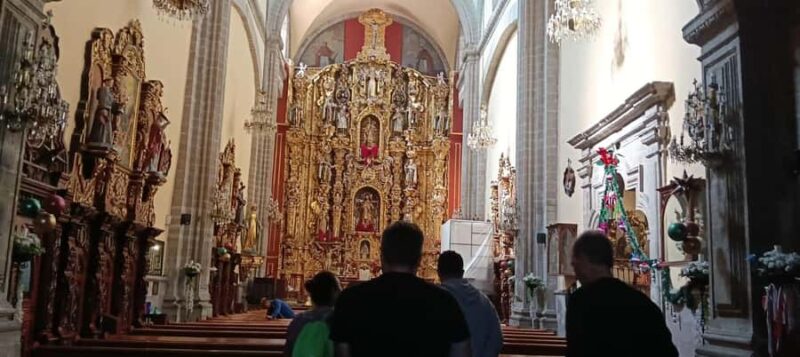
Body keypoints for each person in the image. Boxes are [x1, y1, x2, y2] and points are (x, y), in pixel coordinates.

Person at [329, 221, 471, 357]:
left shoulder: (350, 300)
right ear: (419, 259)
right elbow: (462, 351)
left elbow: (341, 352)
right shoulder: (445, 302)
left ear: (381, 255)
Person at [566, 230, 678, 357]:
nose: (575, 271)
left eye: (576, 264)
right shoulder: (642, 302)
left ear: (585, 260)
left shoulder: (580, 301)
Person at [437, 251, 503, 357]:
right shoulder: (484, 301)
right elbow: (496, 340)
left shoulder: (433, 299)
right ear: (462, 272)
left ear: (438, 272)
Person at [284, 271, 341, 357]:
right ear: (334, 292)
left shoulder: (298, 320)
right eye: (339, 288)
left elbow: (288, 351)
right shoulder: (340, 320)